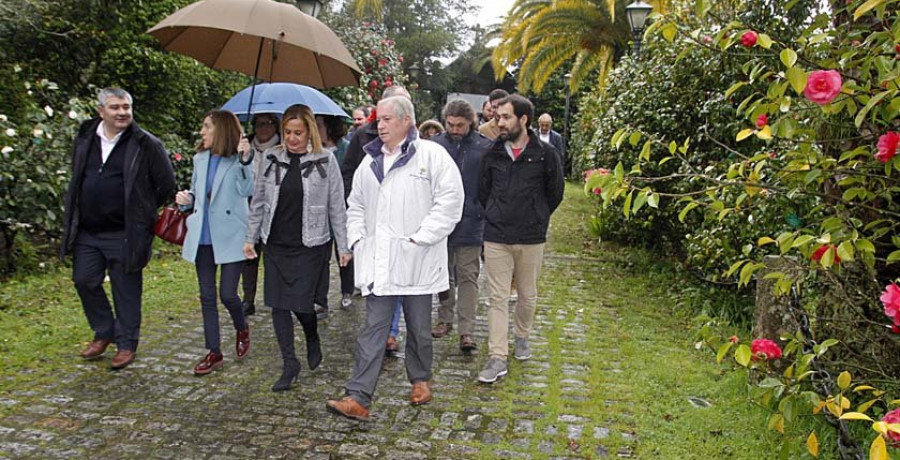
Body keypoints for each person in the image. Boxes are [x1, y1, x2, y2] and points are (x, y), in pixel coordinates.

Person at [326, 96, 464, 421]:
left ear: (406, 121)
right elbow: (356, 204)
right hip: (380, 262)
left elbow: (450, 201)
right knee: (373, 328)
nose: (380, 125)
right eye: (378, 119)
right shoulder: (369, 160)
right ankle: (358, 397)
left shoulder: (432, 156)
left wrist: (422, 236)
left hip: (418, 258)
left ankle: (420, 380)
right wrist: (357, 238)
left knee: (418, 327)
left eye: (387, 119)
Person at [60, 87, 176, 370]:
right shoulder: (86, 137)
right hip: (88, 229)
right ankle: (104, 331)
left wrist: (142, 212)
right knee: (84, 280)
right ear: (101, 111)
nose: (122, 112)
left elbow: (166, 185)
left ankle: (126, 344)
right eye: (115, 107)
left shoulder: (146, 143)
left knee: (126, 289)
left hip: (126, 232)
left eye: (126, 107)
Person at [244, 104, 351, 392]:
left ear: (310, 133)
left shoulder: (326, 160)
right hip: (276, 242)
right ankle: (289, 363)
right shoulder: (270, 157)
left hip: (311, 243)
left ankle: (312, 335)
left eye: (298, 133)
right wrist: (250, 238)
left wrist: (344, 246)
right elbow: (258, 202)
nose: (292, 138)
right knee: (278, 304)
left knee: (301, 304)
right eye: (288, 132)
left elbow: (337, 207)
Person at [477, 94, 564, 384]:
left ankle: (522, 335)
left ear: (523, 120)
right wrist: (494, 212)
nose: (499, 122)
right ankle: (497, 356)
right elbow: (482, 191)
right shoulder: (492, 153)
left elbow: (555, 193)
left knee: (527, 294)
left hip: (530, 237)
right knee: (498, 298)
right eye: (497, 117)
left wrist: (537, 215)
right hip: (496, 236)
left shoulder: (545, 154)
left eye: (505, 117)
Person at [175, 110, 253, 375]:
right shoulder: (199, 159)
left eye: (206, 127)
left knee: (228, 294)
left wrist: (245, 159)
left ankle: (241, 328)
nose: (202, 131)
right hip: (203, 236)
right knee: (207, 296)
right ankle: (214, 352)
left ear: (220, 129)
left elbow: (247, 191)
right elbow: (197, 194)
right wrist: (186, 201)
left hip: (231, 234)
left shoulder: (238, 160)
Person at [430, 100, 492, 353]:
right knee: (442, 275)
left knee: (468, 277)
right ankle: (444, 319)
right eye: (451, 124)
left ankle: (467, 330)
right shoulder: (434, 147)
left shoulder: (484, 147)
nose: (455, 129)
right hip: (440, 221)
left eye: (460, 125)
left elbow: (490, 184)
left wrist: (480, 210)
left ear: (471, 123)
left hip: (471, 222)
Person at [238, 113, 281, 316]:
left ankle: (275, 296)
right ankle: (248, 298)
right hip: (249, 207)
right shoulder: (244, 146)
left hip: (275, 207)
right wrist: (243, 157)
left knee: (273, 255)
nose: (264, 128)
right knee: (250, 254)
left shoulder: (283, 146)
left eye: (269, 123)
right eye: (260, 123)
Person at [315, 114, 353, 313]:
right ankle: (320, 299)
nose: (316, 128)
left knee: (343, 251)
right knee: (320, 257)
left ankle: (347, 290)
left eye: (319, 125)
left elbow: (348, 177)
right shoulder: (313, 151)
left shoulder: (345, 149)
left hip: (341, 208)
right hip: (319, 211)